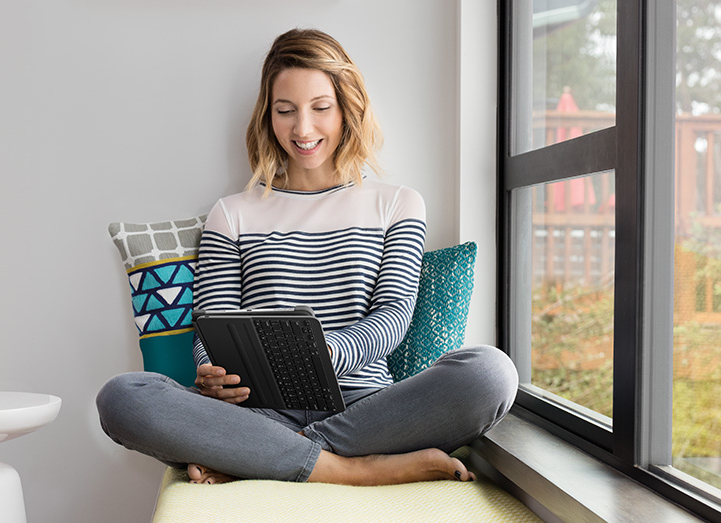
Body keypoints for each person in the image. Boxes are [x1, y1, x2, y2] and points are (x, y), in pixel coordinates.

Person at [97, 28, 518, 486]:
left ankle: (267, 457)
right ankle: (349, 469)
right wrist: (208, 370)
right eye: (285, 111)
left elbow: (393, 318)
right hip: (255, 411)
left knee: (491, 373)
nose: (302, 129)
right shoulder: (232, 213)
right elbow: (211, 326)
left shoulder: (397, 204)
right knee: (122, 397)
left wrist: (316, 356)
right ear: (267, 115)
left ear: (346, 109)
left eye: (321, 108)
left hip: (365, 410)